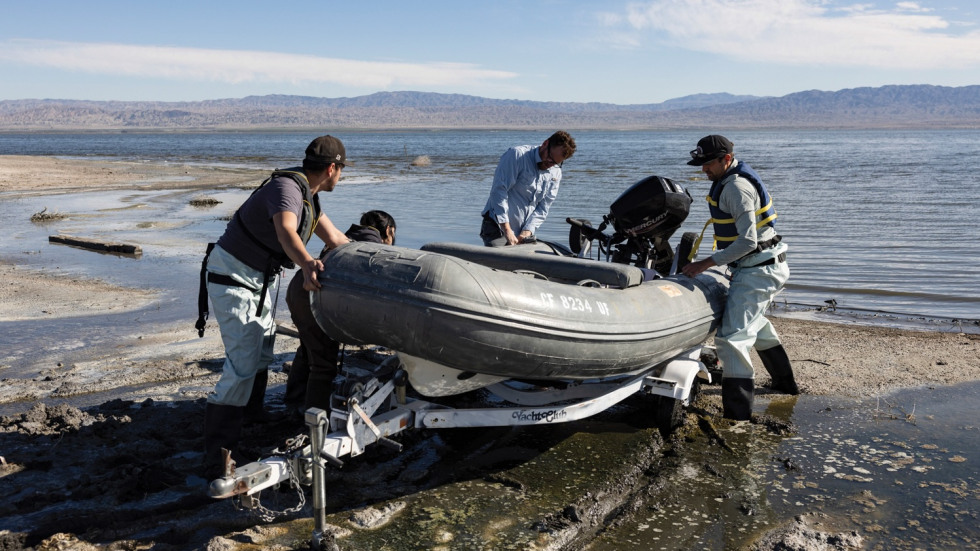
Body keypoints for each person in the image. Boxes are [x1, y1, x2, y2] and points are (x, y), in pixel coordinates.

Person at [196, 135, 352, 478]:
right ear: (332, 168)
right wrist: (309, 263)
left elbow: (336, 238)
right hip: (233, 276)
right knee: (242, 361)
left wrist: (371, 256)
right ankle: (218, 452)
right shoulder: (288, 190)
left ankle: (250, 418)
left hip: (260, 279)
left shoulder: (310, 195)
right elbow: (286, 232)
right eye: (341, 170)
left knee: (263, 349)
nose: (341, 176)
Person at [680, 135, 799, 421]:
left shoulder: (736, 188)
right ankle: (785, 384)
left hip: (759, 269)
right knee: (755, 324)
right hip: (763, 265)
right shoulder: (730, 180)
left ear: (726, 159)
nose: (704, 169)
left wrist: (704, 264)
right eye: (701, 163)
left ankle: (738, 415)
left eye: (708, 163)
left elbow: (747, 241)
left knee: (732, 338)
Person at [284, 210, 397, 417]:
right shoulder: (375, 248)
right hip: (317, 295)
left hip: (297, 288)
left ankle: (294, 400)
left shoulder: (345, 236)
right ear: (389, 231)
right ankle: (315, 418)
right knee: (324, 364)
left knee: (308, 346)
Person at [480, 131, 576, 246]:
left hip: (523, 233)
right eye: (550, 158)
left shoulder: (556, 172)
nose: (550, 164)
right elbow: (499, 191)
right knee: (500, 263)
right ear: (545, 144)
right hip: (497, 227)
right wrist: (507, 230)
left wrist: (527, 231)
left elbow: (544, 207)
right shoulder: (517, 155)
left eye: (556, 163)